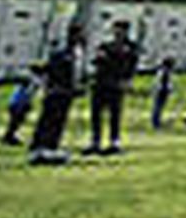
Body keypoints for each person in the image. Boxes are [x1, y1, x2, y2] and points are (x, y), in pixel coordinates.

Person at [29, 23, 85, 166]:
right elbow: (55, 72)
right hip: (57, 92)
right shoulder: (62, 54)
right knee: (50, 120)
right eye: (78, 35)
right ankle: (43, 147)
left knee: (58, 120)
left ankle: (49, 146)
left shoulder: (75, 54)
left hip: (65, 93)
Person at [87, 19, 139, 155]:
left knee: (114, 115)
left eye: (120, 30)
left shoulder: (130, 48)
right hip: (100, 83)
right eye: (115, 29)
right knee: (96, 114)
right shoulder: (105, 45)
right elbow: (96, 61)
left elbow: (131, 66)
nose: (117, 32)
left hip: (116, 85)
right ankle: (95, 141)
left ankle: (114, 142)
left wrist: (127, 81)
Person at [2, 71, 38, 146]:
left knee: (15, 123)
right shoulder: (27, 85)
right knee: (15, 123)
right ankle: (8, 138)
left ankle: (10, 137)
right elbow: (27, 95)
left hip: (16, 104)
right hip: (17, 105)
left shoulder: (23, 86)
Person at [151, 57, 176, 130]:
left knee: (158, 107)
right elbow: (165, 83)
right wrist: (169, 90)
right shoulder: (165, 72)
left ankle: (156, 123)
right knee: (158, 108)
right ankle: (156, 123)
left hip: (160, 91)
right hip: (162, 91)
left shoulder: (162, 71)